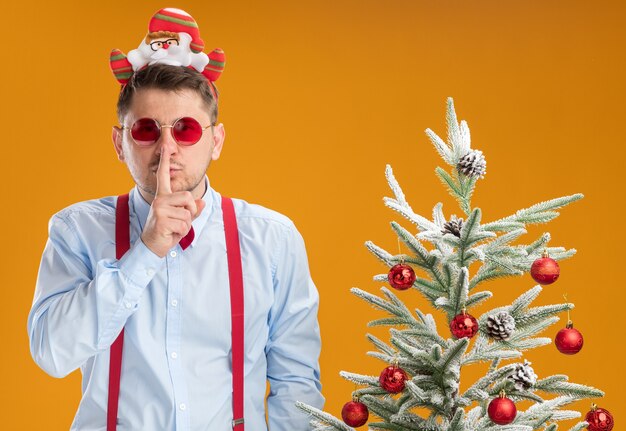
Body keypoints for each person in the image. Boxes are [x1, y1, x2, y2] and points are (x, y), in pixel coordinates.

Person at [27, 7, 323, 431]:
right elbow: (52, 353)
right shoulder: (77, 231)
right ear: (119, 142)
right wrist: (145, 251)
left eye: (185, 129)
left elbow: (297, 388)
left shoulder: (273, 240)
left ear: (215, 140)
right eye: (147, 130)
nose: (167, 148)